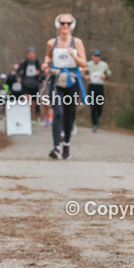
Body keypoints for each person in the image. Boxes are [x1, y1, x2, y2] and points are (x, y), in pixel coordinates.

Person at [42, 13, 87, 160]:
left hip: (72, 82)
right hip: (56, 81)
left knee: (69, 115)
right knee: (58, 113)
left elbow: (84, 64)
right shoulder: (51, 43)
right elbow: (48, 57)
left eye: (68, 23)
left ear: (72, 25)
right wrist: (45, 63)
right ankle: (56, 147)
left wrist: (73, 56)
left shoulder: (77, 42)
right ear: (58, 25)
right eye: (62, 23)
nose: (65, 26)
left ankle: (66, 143)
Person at [86, 49, 110, 132]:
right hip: (91, 86)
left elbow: (109, 74)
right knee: (93, 106)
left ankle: (98, 117)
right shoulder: (88, 64)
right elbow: (82, 72)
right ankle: (94, 124)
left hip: (100, 86)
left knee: (99, 105)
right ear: (92, 57)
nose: (97, 58)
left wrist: (105, 76)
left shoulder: (104, 65)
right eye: (96, 56)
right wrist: (86, 76)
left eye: (98, 56)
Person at [16, 48, 43, 120]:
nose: (31, 54)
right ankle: (26, 116)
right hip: (26, 84)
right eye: (30, 53)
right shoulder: (24, 63)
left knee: (34, 103)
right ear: (28, 54)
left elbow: (43, 73)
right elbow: (17, 72)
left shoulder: (38, 63)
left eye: (32, 53)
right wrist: (18, 78)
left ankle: (33, 117)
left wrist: (39, 73)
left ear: (34, 54)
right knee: (26, 100)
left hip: (35, 85)